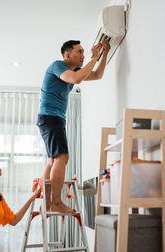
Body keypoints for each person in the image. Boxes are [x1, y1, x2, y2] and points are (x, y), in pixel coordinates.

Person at [37, 39, 110, 214]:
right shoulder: (57, 66)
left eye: (84, 52)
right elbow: (76, 79)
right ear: (67, 54)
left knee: (55, 160)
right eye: (80, 52)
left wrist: (104, 54)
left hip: (54, 119)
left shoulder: (75, 70)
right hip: (51, 117)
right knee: (62, 158)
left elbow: (97, 75)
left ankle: (47, 202)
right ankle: (55, 201)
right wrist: (95, 56)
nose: (83, 56)